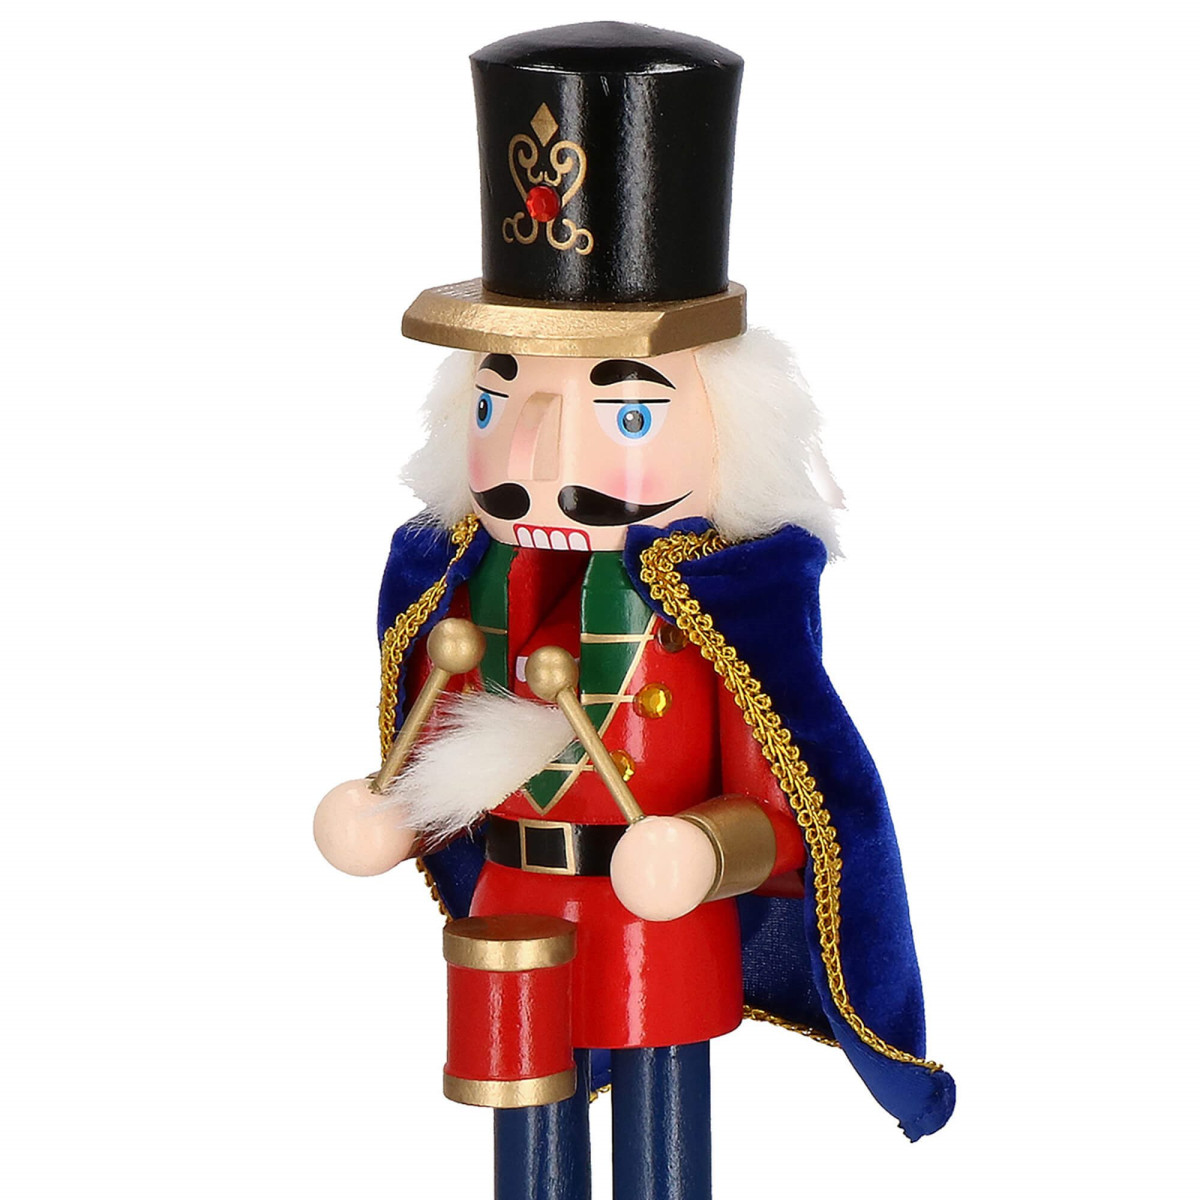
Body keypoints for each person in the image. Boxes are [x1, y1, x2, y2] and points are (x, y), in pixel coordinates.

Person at [314, 23, 954, 1200]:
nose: (537, 464)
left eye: (626, 414)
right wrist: (391, 810)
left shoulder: (725, 612)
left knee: (664, 1139)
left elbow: (798, 811)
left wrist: (703, 847)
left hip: (660, 927)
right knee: (526, 1133)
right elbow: (441, 746)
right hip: (515, 907)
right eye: (500, 401)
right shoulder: (465, 589)